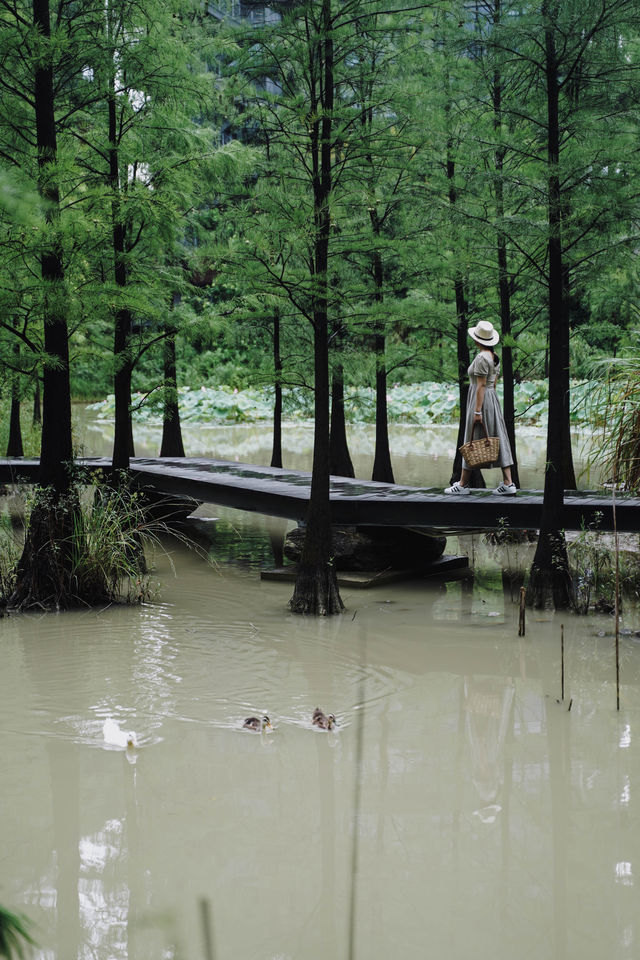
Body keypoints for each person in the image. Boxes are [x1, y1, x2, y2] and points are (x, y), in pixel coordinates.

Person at [445, 319, 516, 495]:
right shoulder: (494, 357)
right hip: (491, 400)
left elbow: (481, 385)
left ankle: (462, 485)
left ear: (478, 340)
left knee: (471, 441)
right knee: (499, 437)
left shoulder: (481, 358)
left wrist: (477, 411)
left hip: (481, 401)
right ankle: (509, 482)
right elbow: (493, 383)